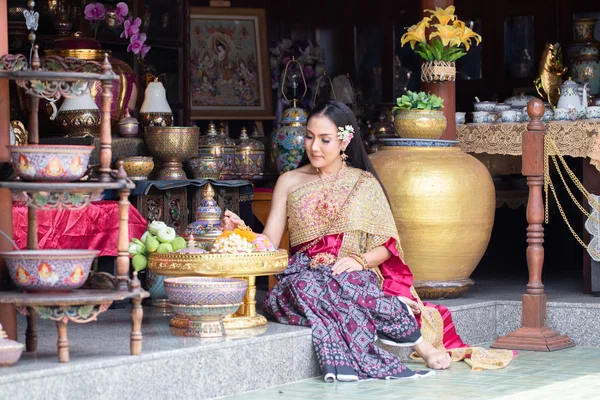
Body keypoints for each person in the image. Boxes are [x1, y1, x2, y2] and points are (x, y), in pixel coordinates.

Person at [222, 100, 459, 381]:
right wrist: (242, 232)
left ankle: (420, 345)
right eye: (309, 137)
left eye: (325, 139)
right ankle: (408, 342)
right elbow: (270, 242)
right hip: (304, 276)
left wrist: (359, 261)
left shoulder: (364, 183)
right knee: (310, 284)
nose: (313, 147)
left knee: (344, 283)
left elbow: (388, 245)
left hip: (353, 275)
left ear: (345, 141)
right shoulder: (289, 181)